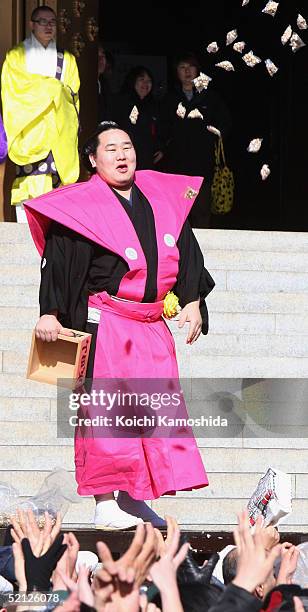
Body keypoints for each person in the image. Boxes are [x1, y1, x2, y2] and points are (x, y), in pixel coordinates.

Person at [24, 121, 215, 530]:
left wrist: (195, 299)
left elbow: (187, 249)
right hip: (106, 322)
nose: (122, 154)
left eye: (127, 146)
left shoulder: (160, 198)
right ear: (93, 160)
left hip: (150, 325)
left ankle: (134, 498)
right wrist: (50, 312)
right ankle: (105, 499)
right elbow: (58, 262)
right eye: (110, 149)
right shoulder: (81, 205)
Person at [1, 4, 80, 223]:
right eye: (43, 22)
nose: (48, 26)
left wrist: (54, 92)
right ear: (31, 25)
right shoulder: (16, 56)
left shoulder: (68, 60)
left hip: (59, 133)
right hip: (30, 133)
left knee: (58, 198)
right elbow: (14, 92)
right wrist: (52, 88)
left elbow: (72, 96)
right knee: (29, 191)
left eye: (52, 22)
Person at [160, 51, 231, 228]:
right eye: (182, 67)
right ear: (176, 72)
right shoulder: (169, 99)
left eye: (190, 67)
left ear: (197, 70)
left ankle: (201, 252)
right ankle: (179, 251)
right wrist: (163, 148)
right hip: (176, 165)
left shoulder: (210, 97)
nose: (187, 71)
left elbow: (226, 123)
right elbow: (161, 128)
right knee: (177, 213)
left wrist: (213, 135)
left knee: (201, 212)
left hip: (202, 165)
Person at [109, 65, 164, 169]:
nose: (145, 84)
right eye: (141, 79)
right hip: (123, 159)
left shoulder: (154, 105)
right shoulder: (120, 103)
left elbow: (160, 130)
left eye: (149, 81)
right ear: (133, 81)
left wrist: (161, 149)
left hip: (147, 160)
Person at [97, 42, 114, 122]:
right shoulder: (81, 83)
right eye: (97, 55)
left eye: (103, 56)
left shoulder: (105, 85)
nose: (101, 59)